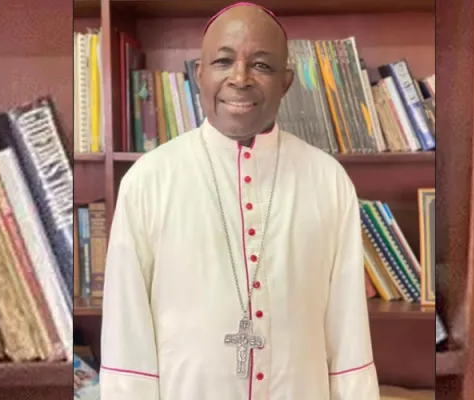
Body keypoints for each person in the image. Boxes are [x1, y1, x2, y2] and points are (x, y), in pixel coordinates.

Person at [99, 2, 380, 399]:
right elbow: (126, 346)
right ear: (199, 75)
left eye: (262, 66)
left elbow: (349, 336)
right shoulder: (149, 180)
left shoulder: (327, 180)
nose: (240, 78)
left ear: (286, 81)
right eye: (223, 61)